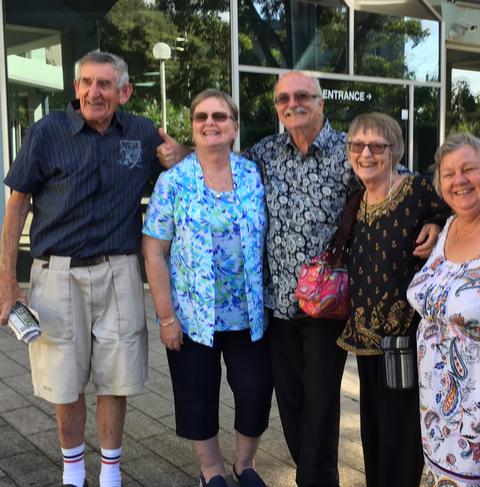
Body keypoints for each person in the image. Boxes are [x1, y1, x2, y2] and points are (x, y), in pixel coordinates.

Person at [157, 71, 442, 487]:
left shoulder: (350, 149)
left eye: (303, 95)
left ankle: (315, 480)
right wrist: (186, 149)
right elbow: (216, 159)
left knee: (321, 407)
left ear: (321, 102)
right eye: (283, 98)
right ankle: (310, 474)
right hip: (277, 307)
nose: (293, 104)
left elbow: (398, 179)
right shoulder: (264, 153)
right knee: (291, 408)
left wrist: (435, 219)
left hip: (329, 307)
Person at [0, 51, 168, 487]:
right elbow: (16, 206)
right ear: (76, 88)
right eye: (87, 83)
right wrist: (7, 283)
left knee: (117, 376)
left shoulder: (142, 133)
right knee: (64, 378)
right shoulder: (46, 132)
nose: (95, 92)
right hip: (57, 274)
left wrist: (192, 149)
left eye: (106, 84)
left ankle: (110, 474)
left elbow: (184, 165)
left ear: (124, 92)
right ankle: (72, 473)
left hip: (120, 271)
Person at [142, 89, 271, 487]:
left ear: (234, 126)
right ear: (193, 127)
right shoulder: (173, 182)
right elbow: (154, 252)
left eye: (219, 116)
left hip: (249, 315)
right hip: (193, 315)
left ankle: (244, 465)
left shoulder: (252, 174)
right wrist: (166, 317)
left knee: (254, 391)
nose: (210, 123)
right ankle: (211, 470)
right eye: (201, 117)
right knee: (197, 394)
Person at [336, 112, 450, 487]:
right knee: (374, 432)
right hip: (367, 341)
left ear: (395, 150)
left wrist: (436, 224)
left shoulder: (417, 189)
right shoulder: (356, 200)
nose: (366, 153)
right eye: (357, 145)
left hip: (406, 340)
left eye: (377, 146)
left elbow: (456, 211)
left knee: (402, 434)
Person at [406, 133, 480, 487]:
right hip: (436, 405)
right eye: (449, 173)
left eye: (469, 169)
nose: (459, 180)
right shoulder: (449, 225)